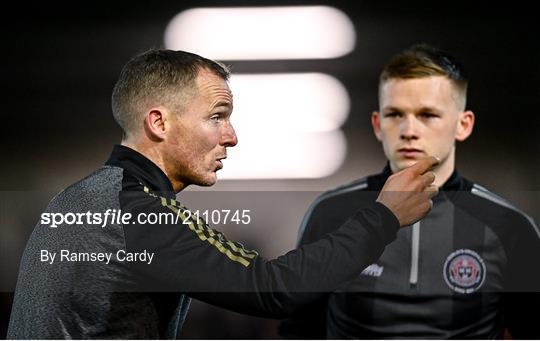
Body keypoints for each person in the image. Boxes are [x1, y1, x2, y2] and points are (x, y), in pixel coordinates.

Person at [7, 49, 439, 339]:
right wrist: (383, 217)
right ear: (160, 123)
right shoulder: (134, 213)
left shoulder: (79, 198)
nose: (230, 137)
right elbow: (274, 289)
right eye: (217, 117)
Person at [279, 44, 540, 339]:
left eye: (427, 115)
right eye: (395, 114)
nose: (408, 130)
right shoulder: (331, 214)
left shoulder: (509, 227)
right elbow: (298, 331)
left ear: (463, 125)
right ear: (378, 125)